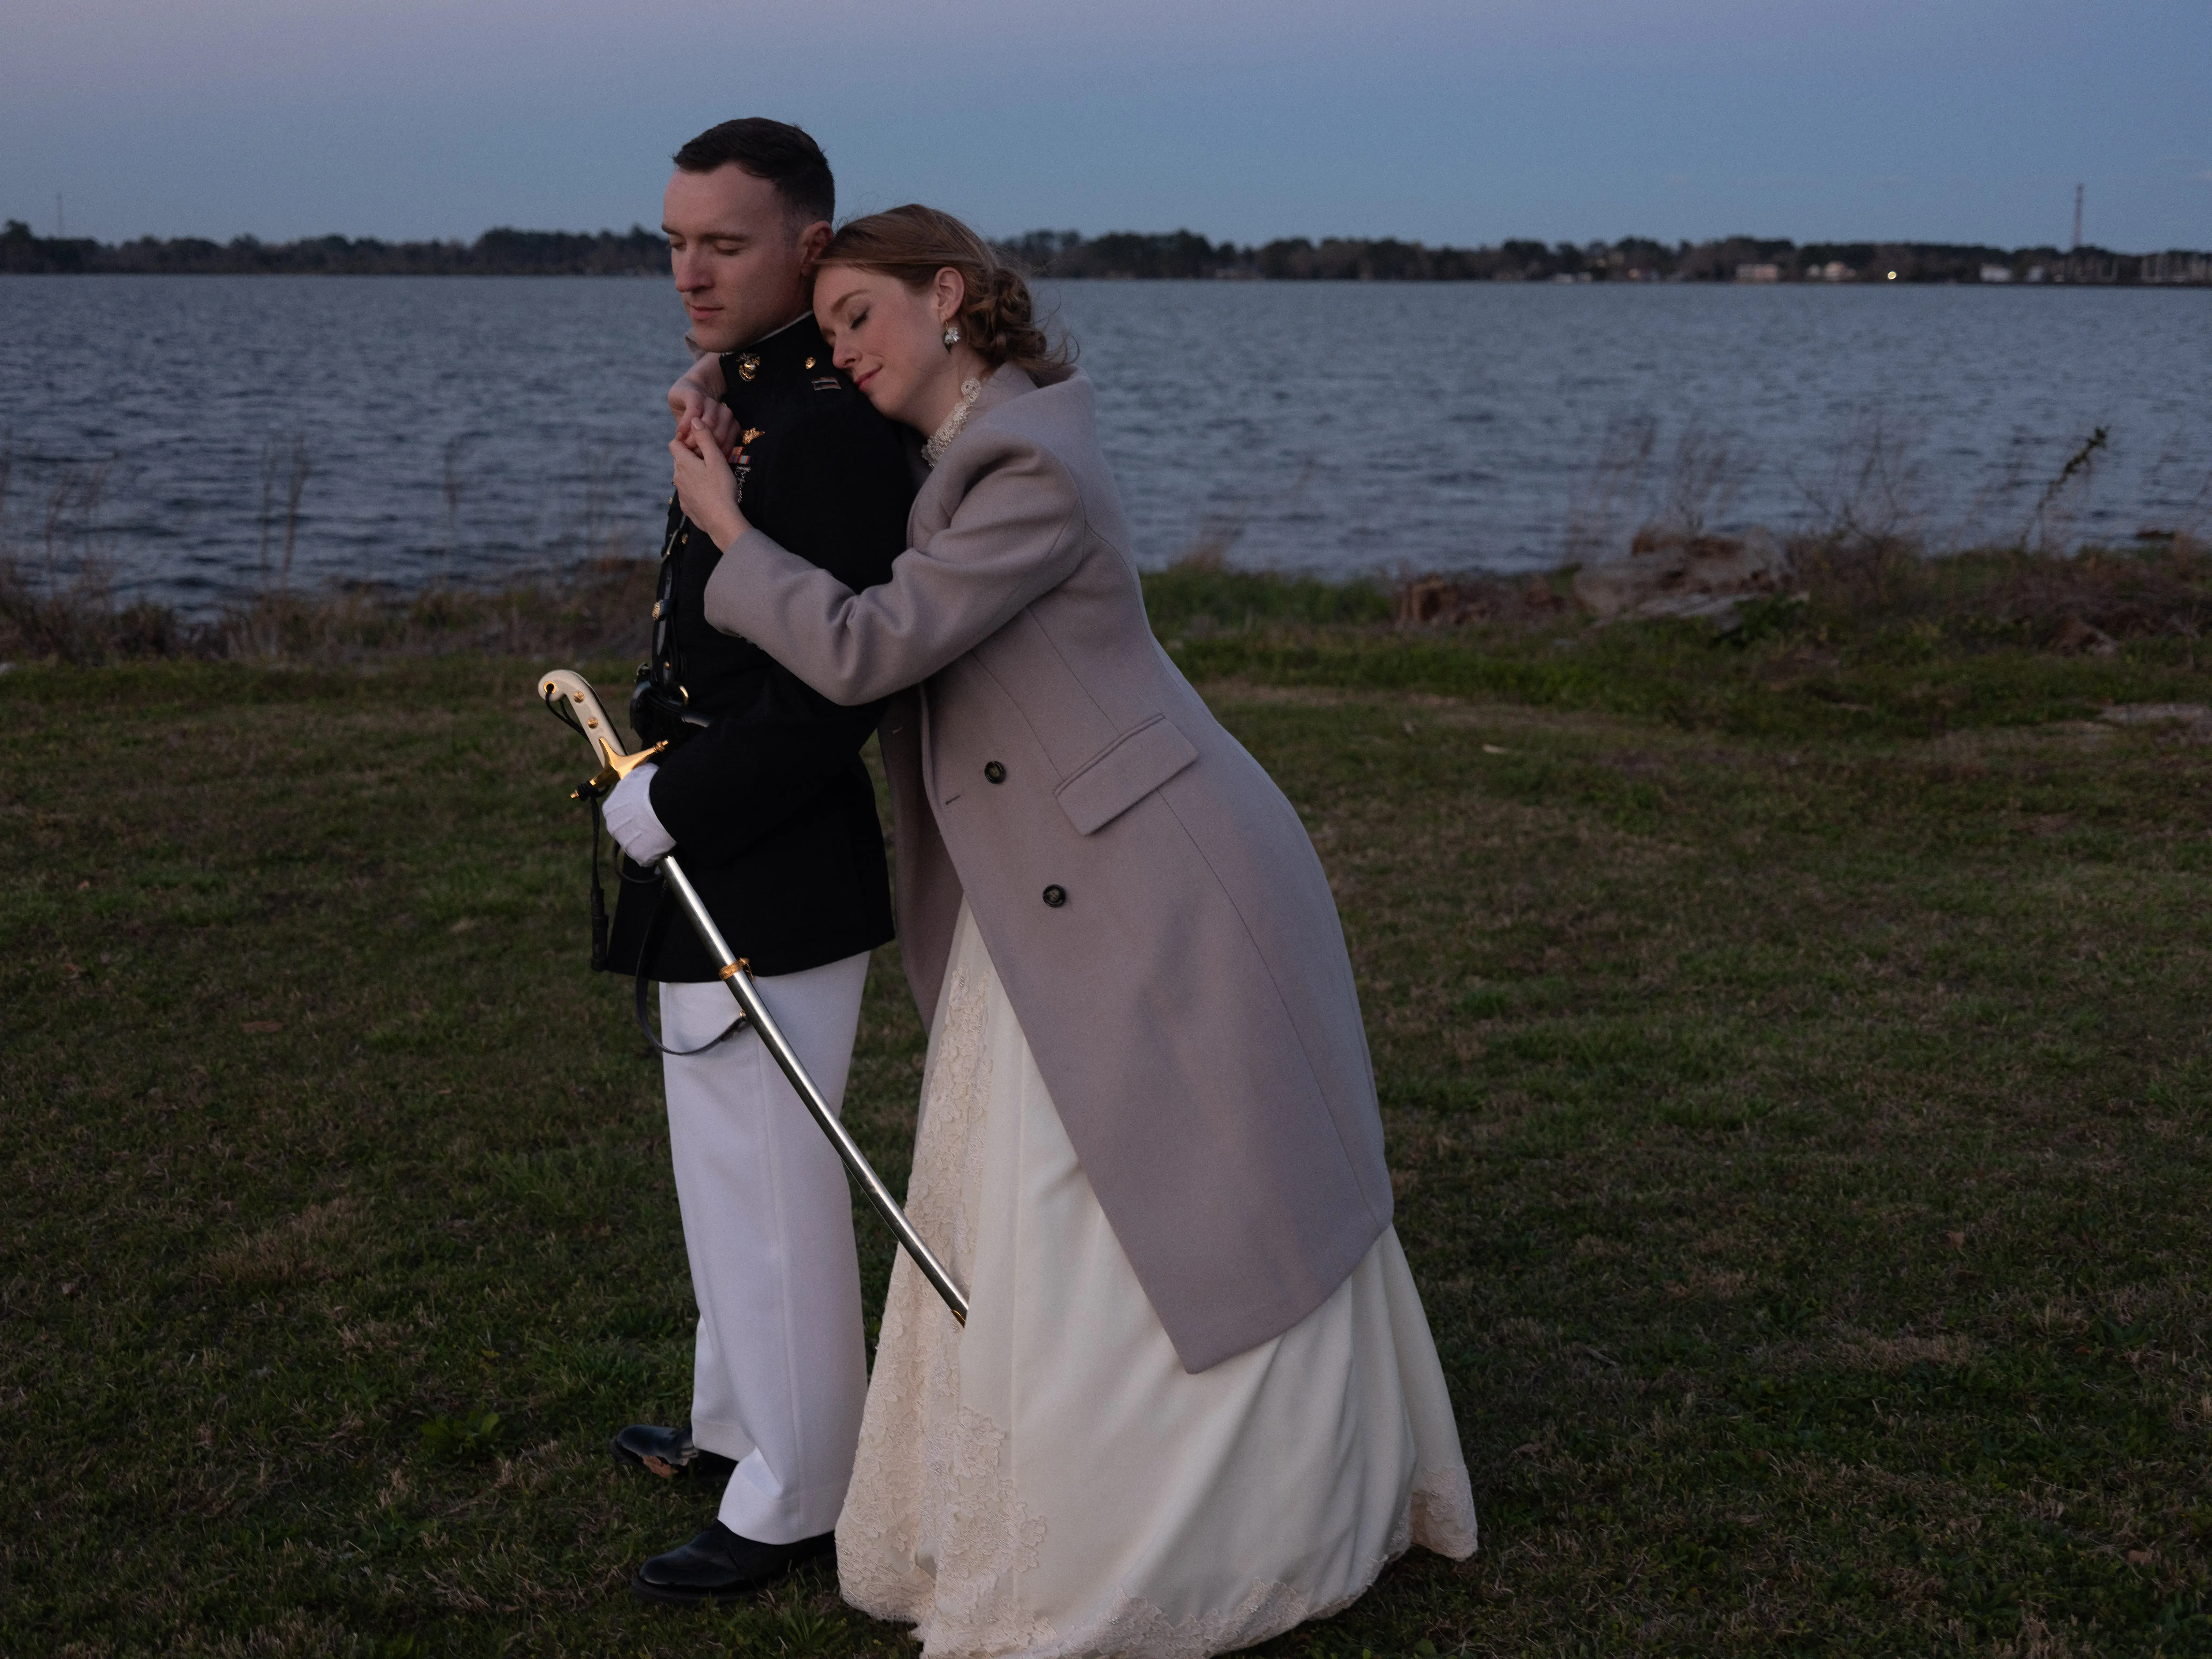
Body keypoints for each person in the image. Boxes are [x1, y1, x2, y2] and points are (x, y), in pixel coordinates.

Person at [665, 204, 1475, 1658]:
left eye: (860, 317)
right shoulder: (964, 453)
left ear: (952, 297)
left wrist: (725, 529)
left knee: (1150, 1194)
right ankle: (1030, 1500)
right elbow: (862, 537)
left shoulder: (1028, 460)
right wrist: (740, 423)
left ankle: (1196, 1530)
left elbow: (873, 644)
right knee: (1052, 1190)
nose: (839, 349)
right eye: (827, 325)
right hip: (1052, 885)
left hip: (1149, 872)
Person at [595, 120, 919, 1605]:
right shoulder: (753, 406)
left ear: (809, 244)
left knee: (774, 1187)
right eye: (674, 240)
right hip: (717, 839)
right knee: (717, 1168)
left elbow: (835, 692)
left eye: (721, 244)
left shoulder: (838, 433)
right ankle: (737, 1430)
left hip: (771, 855)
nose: (688, 271)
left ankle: (799, 1494)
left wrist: (681, 802)